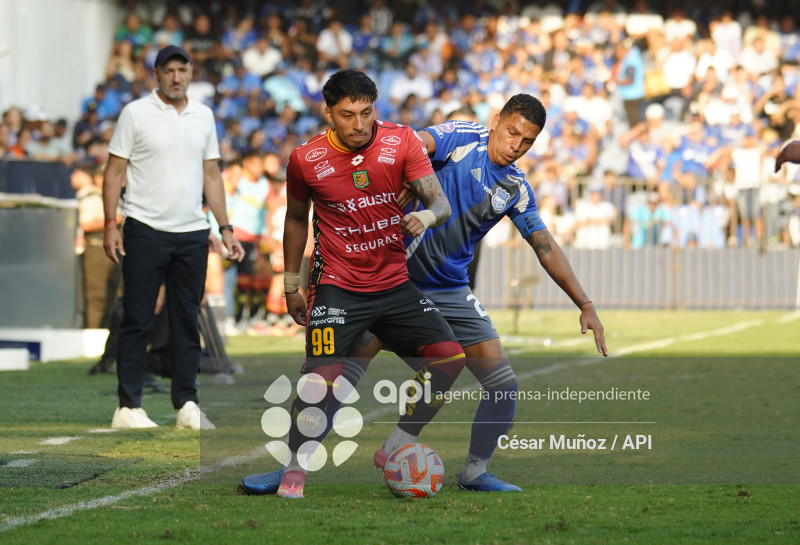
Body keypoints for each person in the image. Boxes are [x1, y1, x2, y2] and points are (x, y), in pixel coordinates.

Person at [243, 93, 607, 496]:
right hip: (394, 280)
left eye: (527, 142)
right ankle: (290, 469)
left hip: (450, 289)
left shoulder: (515, 187)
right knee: (336, 380)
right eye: (511, 133)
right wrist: (413, 183)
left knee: (503, 386)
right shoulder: (460, 136)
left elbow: (545, 245)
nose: (515, 146)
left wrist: (585, 304)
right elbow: (407, 145)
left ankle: (466, 470)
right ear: (496, 121)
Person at [244, 68, 466, 499]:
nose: (360, 124)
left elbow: (440, 201)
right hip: (337, 288)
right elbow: (294, 219)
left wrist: (426, 214)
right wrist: (292, 283)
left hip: (395, 286)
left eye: (367, 112)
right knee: (319, 383)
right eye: (348, 114)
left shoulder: (401, 141)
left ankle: (396, 447)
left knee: (449, 360)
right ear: (328, 112)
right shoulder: (305, 159)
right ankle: (294, 470)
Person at [102, 45, 244, 430]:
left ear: (191, 72)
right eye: (169, 71)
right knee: (137, 318)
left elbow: (211, 176)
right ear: (157, 74)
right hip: (144, 229)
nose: (177, 77)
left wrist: (225, 228)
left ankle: (187, 404)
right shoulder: (135, 113)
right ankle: (127, 408)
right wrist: (110, 224)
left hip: (193, 233)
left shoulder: (204, 116)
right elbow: (114, 172)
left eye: (183, 69)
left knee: (186, 320)